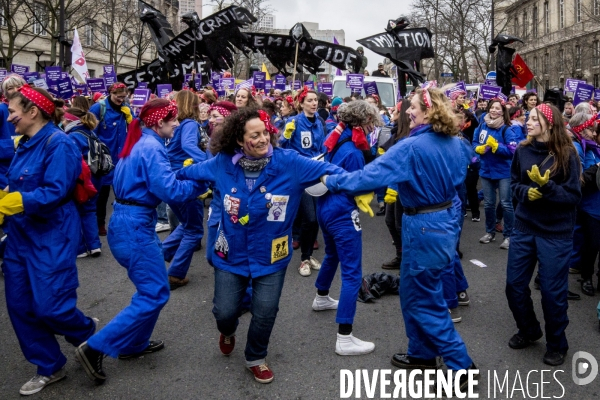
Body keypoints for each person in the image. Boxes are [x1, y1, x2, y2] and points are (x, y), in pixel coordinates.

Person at [322, 83, 477, 390]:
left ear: (429, 111)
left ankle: (462, 366)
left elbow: (365, 177)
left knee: (425, 301)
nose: (408, 110)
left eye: (414, 107)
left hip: (424, 226)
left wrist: (330, 177)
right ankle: (421, 354)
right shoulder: (456, 142)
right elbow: (466, 171)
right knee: (411, 291)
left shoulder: (411, 147)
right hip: (440, 220)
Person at [176, 107, 345, 383]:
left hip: (272, 253)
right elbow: (187, 175)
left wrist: (343, 182)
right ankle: (228, 330)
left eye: (266, 133)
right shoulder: (221, 163)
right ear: (240, 140)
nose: (264, 139)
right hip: (230, 253)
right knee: (225, 311)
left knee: (266, 310)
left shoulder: (289, 162)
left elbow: (332, 171)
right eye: (255, 135)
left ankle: (256, 356)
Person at [75, 99, 202, 384]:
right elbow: (168, 188)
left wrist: (191, 174)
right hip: (134, 227)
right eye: (173, 120)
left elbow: (163, 178)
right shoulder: (152, 146)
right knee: (155, 293)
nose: (178, 124)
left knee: (152, 290)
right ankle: (93, 347)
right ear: (159, 123)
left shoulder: (142, 142)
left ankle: (134, 344)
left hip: (130, 223)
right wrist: (201, 183)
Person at [4, 85, 97, 396]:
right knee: (20, 306)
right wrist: (5, 198)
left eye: (13, 110)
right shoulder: (25, 142)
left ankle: (88, 333)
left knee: (50, 306)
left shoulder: (60, 144)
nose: (9, 117)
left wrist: (12, 203)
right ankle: (49, 365)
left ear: (32, 112)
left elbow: (54, 192)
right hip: (20, 236)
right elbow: (17, 183)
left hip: (51, 234)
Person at [505, 104, 581, 366]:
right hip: (525, 227)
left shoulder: (567, 154)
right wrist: (526, 193)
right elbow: (514, 183)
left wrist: (547, 187)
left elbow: (573, 196)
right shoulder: (523, 150)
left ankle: (557, 343)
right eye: (528, 118)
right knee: (514, 286)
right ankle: (529, 329)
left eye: (535, 119)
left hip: (556, 233)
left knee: (552, 292)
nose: (528, 122)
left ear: (549, 123)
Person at [313, 101, 382, 355]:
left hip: (325, 207)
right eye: (371, 122)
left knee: (332, 255)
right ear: (363, 123)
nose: (373, 126)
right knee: (353, 272)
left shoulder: (335, 136)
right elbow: (356, 184)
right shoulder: (353, 151)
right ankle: (345, 337)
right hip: (342, 212)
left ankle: (321, 296)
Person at [162, 90, 209, 289]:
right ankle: (175, 274)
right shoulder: (189, 124)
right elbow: (189, 145)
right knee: (194, 230)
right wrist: (209, 165)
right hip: (185, 178)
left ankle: (160, 256)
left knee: (186, 224)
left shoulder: (176, 125)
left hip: (172, 177)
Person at [280, 87, 326, 276]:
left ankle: (308, 255)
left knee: (318, 218)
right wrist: (285, 135)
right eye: (310, 100)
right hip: (301, 175)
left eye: (316, 100)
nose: (314, 103)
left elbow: (323, 146)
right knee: (310, 217)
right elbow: (280, 147)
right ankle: (303, 260)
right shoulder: (293, 122)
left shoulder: (320, 122)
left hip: (318, 172)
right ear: (301, 103)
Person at [472, 98, 520, 249]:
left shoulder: (507, 129)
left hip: (503, 172)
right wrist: (477, 149)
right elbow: (474, 142)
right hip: (486, 171)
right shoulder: (481, 126)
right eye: (492, 108)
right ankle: (490, 232)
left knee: (506, 204)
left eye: (497, 108)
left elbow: (513, 151)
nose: (494, 111)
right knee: (489, 204)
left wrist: (496, 147)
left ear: (503, 111)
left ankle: (509, 235)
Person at [89, 82, 132, 236]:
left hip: (121, 158)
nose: (121, 100)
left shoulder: (125, 109)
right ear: (110, 94)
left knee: (123, 193)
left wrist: (130, 118)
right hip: (104, 158)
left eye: (123, 97)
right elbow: (90, 132)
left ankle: (121, 223)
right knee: (102, 194)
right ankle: (99, 223)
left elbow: (134, 130)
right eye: (118, 97)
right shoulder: (98, 108)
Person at [63, 107, 103, 258]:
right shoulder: (90, 133)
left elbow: (71, 160)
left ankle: (80, 248)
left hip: (82, 178)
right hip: (95, 176)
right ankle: (94, 245)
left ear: (70, 120)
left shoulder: (72, 136)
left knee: (76, 211)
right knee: (89, 210)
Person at [568, 112, 600, 296]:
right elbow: (579, 181)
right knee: (592, 245)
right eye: (590, 128)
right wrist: (598, 168)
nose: (593, 131)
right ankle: (586, 277)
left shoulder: (592, 147)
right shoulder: (580, 148)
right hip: (590, 207)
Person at [381, 100, 410, 270]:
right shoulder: (396, 133)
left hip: (401, 187)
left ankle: (406, 259)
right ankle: (400, 255)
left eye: (396, 112)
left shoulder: (407, 137)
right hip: (392, 184)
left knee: (400, 224)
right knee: (390, 221)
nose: (392, 114)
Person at [0, 74, 26, 189]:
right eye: (10, 88)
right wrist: (14, 144)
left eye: (18, 86)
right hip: (4, 175)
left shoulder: (30, 110)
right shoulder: (1, 110)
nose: (16, 90)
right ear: (5, 93)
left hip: (24, 174)